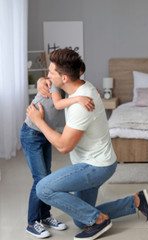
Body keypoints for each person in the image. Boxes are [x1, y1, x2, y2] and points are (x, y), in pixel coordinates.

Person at [26, 48, 148, 240]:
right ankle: (135, 202)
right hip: (95, 162)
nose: (48, 75)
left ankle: (99, 220)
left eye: (52, 72)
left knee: (43, 188)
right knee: (80, 221)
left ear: (65, 78)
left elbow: (63, 146)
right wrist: (42, 81)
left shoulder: (82, 105)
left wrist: (38, 121)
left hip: (95, 167)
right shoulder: (80, 88)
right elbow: (52, 87)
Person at [21, 62, 95, 238]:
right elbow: (59, 104)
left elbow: (78, 91)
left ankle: (45, 216)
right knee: (40, 179)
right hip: (31, 134)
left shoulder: (69, 87)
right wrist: (78, 98)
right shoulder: (53, 84)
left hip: (44, 133)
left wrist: (90, 93)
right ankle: (32, 222)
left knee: (46, 176)